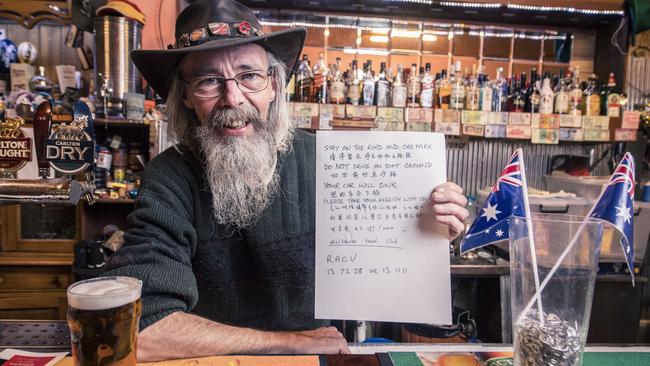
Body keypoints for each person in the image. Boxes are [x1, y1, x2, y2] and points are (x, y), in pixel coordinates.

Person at [105, 0, 470, 361]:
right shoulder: (170, 178)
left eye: (249, 76)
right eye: (208, 81)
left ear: (274, 85)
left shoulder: (327, 161)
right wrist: (289, 341)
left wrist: (430, 229)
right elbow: (140, 328)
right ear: (185, 95)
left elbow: (387, 259)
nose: (232, 99)